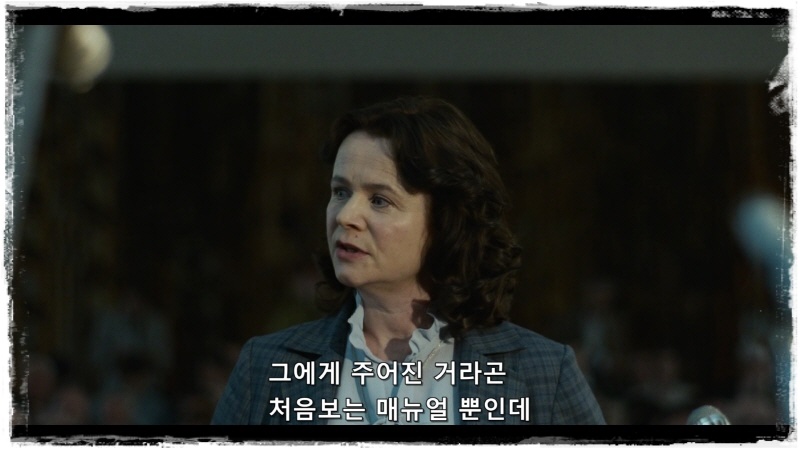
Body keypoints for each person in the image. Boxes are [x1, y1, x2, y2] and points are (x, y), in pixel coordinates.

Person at [211, 96, 605, 425]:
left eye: (379, 200)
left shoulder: (543, 373)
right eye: (340, 192)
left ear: (445, 221)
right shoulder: (266, 366)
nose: (346, 216)